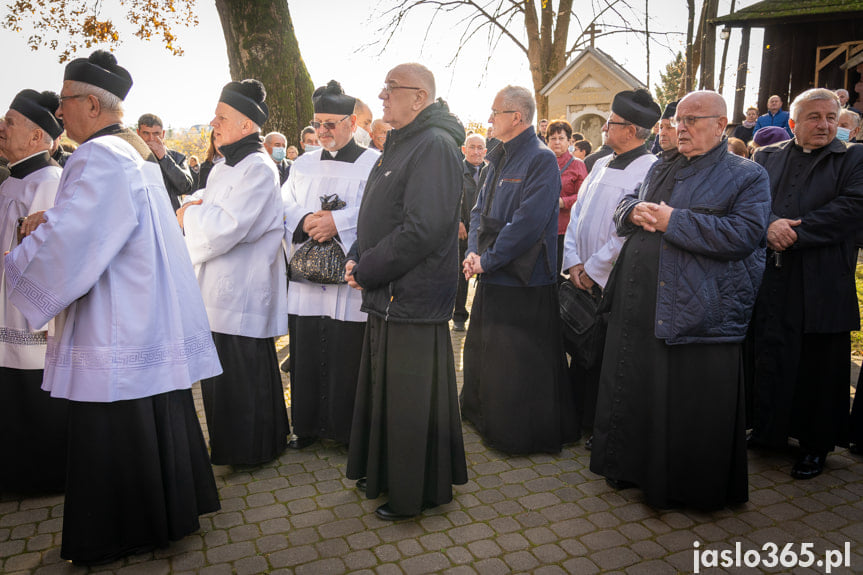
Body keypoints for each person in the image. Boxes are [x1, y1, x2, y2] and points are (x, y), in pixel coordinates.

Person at [4, 50, 222, 564]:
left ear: (91, 105)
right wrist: (53, 222)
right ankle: (164, 517)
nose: (59, 113)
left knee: (115, 420)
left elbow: (78, 239)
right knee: (148, 413)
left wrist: (20, 260)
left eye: (64, 102)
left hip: (116, 317)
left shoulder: (97, 156)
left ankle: (119, 531)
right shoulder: (132, 153)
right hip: (144, 309)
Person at [592, 90, 770, 510]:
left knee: (684, 401)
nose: (680, 127)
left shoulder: (746, 175)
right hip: (642, 303)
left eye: (692, 120)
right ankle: (634, 469)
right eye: (677, 120)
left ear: (721, 125)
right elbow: (627, 202)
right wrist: (632, 211)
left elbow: (745, 234)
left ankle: (683, 487)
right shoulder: (662, 165)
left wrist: (675, 221)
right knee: (639, 389)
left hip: (698, 310)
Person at [345, 62, 468, 520]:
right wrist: (359, 254)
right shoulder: (400, 143)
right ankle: (382, 473)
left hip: (410, 295)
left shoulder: (434, 146)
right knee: (386, 394)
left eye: (389, 90)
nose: (381, 97)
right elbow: (376, 213)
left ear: (418, 97)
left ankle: (410, 492)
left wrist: (369, 268)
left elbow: (423, 229)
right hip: (389, 292)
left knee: (409, 403)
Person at [749, 88, 863, 479]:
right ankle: (769, 431)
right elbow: (752, 201)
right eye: (814, 117)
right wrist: (767, 224)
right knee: (771, 353)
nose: (825, 124)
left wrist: (792, 231)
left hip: (823, 279)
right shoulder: (765, 157)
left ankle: (815, 446)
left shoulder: (854, 158)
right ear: (793, 123)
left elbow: (852, 207)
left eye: (831, 117)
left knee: (819, 365)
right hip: (774, 276)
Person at [461, 85, 578, 455]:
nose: (490, 119)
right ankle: (484, 417)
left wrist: (488, 259)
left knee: (518, 361)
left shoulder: (540, 159)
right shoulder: (497, 157)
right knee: (488, 352)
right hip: (492, 270)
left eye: (495, 112)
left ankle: (517, 433)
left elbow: (528, 222)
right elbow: (479, 211)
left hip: (525, 277)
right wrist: (472, 251)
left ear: (517, 117)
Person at [178, 79, 289, 466]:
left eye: (222, 117)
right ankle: (233, 444)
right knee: (223, 376)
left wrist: (189, 213)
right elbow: (204, 200)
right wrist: (194, 206)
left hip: (244, 286)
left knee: (245, 374)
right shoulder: (226, 166)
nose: (214, 122)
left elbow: (226, 226)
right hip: (217, 289)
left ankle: (254, 449)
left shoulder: (258, 168)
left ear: (246, 125)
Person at [281, 80, 377, 449]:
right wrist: (306, 219)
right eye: (317, 123)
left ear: (352, 123)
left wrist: (338, 222)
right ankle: (306, 426)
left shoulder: (373, 163)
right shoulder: (302, 164)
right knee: (306, 347)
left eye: (331, 124)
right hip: (308, 277)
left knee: (346, 350)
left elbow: (378, 209)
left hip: (349, 275)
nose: (322, 131)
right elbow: (283, 202)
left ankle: (346, 431)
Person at [563, 88, 660, 448]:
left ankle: (601, 424)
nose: (605, 127)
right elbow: (577, 215)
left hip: (614, 278)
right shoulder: (600, 163)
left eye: (612, 123)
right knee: (581, 348)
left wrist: (595, 269)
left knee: (608, 354)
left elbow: (630, 230)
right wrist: (573, 261)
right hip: (581, 273)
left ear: (632, 130)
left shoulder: (650, 170)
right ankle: (576, 416)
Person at [0, 88, 68, 494]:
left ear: (38, 137)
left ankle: (46, 475)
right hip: (3, 306)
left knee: (34, 388)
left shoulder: (51, 181)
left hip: (31, 313)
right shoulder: (10, 180)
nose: (2, 128)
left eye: (10, 122)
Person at [453, 132, 487, 331]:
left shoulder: (491, 171)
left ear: (485, 151)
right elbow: (449, 197)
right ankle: (458, 316)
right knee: (460, 274)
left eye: (479, 148)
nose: (476, 151)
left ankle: (481, 317)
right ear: (464, 150)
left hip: (484, 231)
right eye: (471, 147)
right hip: (461, 231)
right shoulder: (456, 170)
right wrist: (457, 221)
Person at [547, 119, 587, 276]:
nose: (557, 142)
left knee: (559, 274)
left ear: (569, 140)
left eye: (561, 138)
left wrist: (564, 202)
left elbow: (584, 196)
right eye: (553, 138)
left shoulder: (577, 165)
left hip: (565, 229)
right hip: (542, 228)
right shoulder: (541, 163)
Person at [137, 113, 194, 211]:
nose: (151, 139)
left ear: (163, 134)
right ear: (138, 133)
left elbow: (186, 187)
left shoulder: (177, 158)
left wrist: (164, 158)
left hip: (170, 218)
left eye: (156, 134)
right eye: (146, 133)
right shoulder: (132, 157)